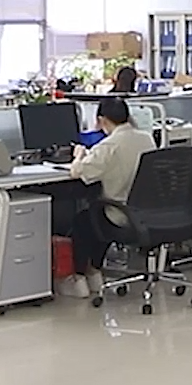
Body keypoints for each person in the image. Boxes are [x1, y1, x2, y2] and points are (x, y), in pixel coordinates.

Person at [61, 96, 157, 299]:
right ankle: (94, 271)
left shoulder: (108, 146)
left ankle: (79, 280)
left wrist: (79, 155)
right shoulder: (146, 138)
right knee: (95, 215)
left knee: (83, 221)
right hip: (147, 214)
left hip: (121, 215)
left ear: (102, 120)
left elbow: (77, 172)